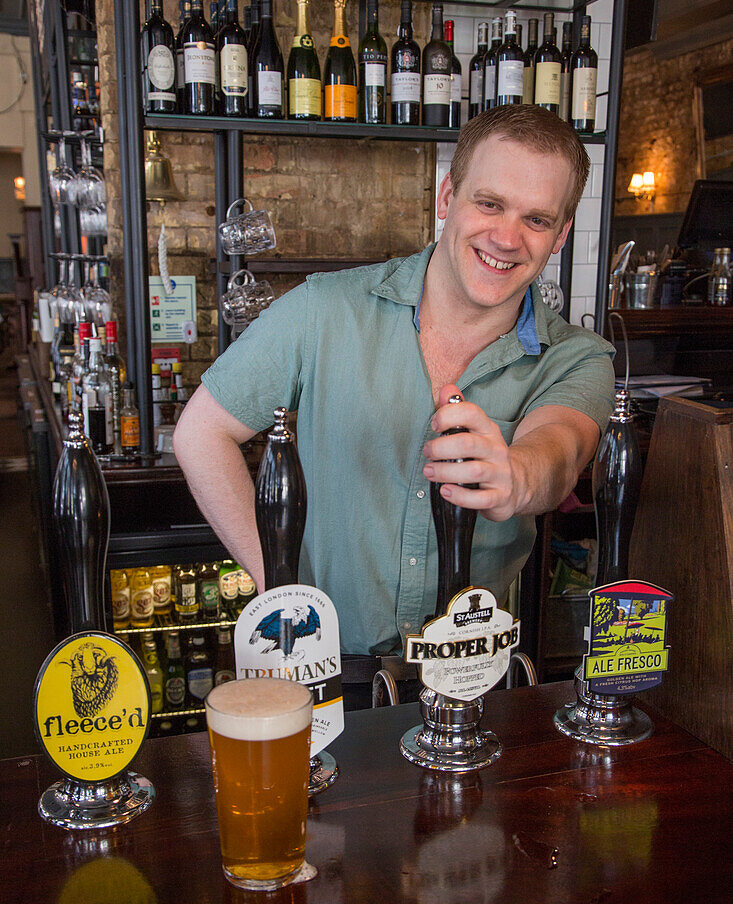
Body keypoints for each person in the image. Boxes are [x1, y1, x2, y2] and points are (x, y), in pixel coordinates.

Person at [174, 105, 615, 703]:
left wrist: (514, 476)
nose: (507, 238)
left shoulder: (579, 358)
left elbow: (558, 449)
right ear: (447, 196)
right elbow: (201, 432)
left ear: (560, 234)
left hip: (473, 679)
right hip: (325, 670)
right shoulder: (324, 310)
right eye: (489, 204)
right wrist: (279, 584)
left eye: (536, 218)